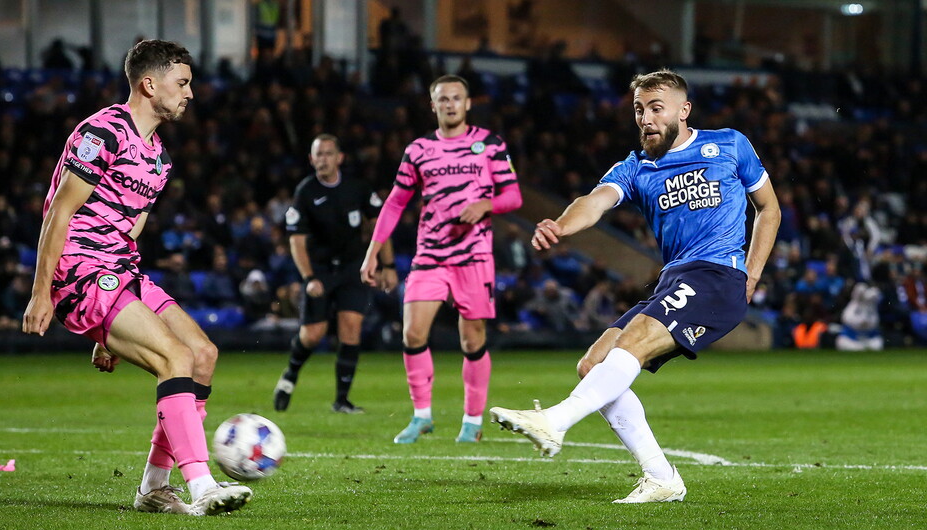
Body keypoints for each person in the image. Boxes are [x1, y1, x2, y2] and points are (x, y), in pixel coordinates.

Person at [489, 69, 780, 503]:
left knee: (634, 343)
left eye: (656, 108)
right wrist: (562, 225)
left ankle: (555, 421)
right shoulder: (636, 166)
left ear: (684, 111)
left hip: (718, 274)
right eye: (639, 110)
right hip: (676, 279)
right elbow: (595, 201)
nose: (645, 118)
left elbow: (768, 209)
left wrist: (751, 274)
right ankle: (661, 477)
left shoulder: (729, 144)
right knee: (594, 364)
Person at [22, 40, 251, 516]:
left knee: (203, 355)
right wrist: (41, 291)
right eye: (182, 83)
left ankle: (153, 488)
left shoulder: (160, 158)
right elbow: (58, 214)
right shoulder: (102, 132)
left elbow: (129, 231)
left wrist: (110, 332)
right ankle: (203, 485)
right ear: (150, 84)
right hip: (80, 269)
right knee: (176, 357)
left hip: (120, 270)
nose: (190, 93)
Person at [360, 75, 523, 444]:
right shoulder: (418, 149)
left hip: (474, 256)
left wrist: (486, 204)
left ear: (467, 104)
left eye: (456, 98)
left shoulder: (490, 144)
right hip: (430, 255)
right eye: (442, 99)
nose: (449, 104)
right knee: (413, 333)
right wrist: (373, 251)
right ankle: (421, 417)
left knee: (472, 341)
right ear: (432, 106)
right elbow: (395, 202)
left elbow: (513, 197)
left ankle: (472, 421)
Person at [273, 134, 395, 414]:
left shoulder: (357, 188)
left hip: (353, 267)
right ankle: (290, 375)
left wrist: (387, 265)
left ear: (339, 158)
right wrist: (309, 278)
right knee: (312, 335)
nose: (323, 159)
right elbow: (297, 241)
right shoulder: (305, 192)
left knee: (350, 328)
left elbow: (381, 225)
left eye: (329, 154)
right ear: (311, 159)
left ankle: (342, 400)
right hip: (320, 271)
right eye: (319, 154)